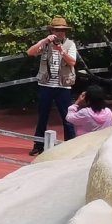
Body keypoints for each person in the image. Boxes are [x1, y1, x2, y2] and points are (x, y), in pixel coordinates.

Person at [27, 16, 78, 155]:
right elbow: (30, 52)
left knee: (67, 117)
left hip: (63, 86)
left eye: (62, 30)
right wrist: (44, 41)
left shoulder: (70, 44)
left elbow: (73, 62)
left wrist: (61, 51)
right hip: (46, 85)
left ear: (65, 31)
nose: (59, 33)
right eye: (56, 30)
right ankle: (38, 145)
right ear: (52, 31)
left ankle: (71, 145)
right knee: (42, 115)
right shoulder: (46, 43)